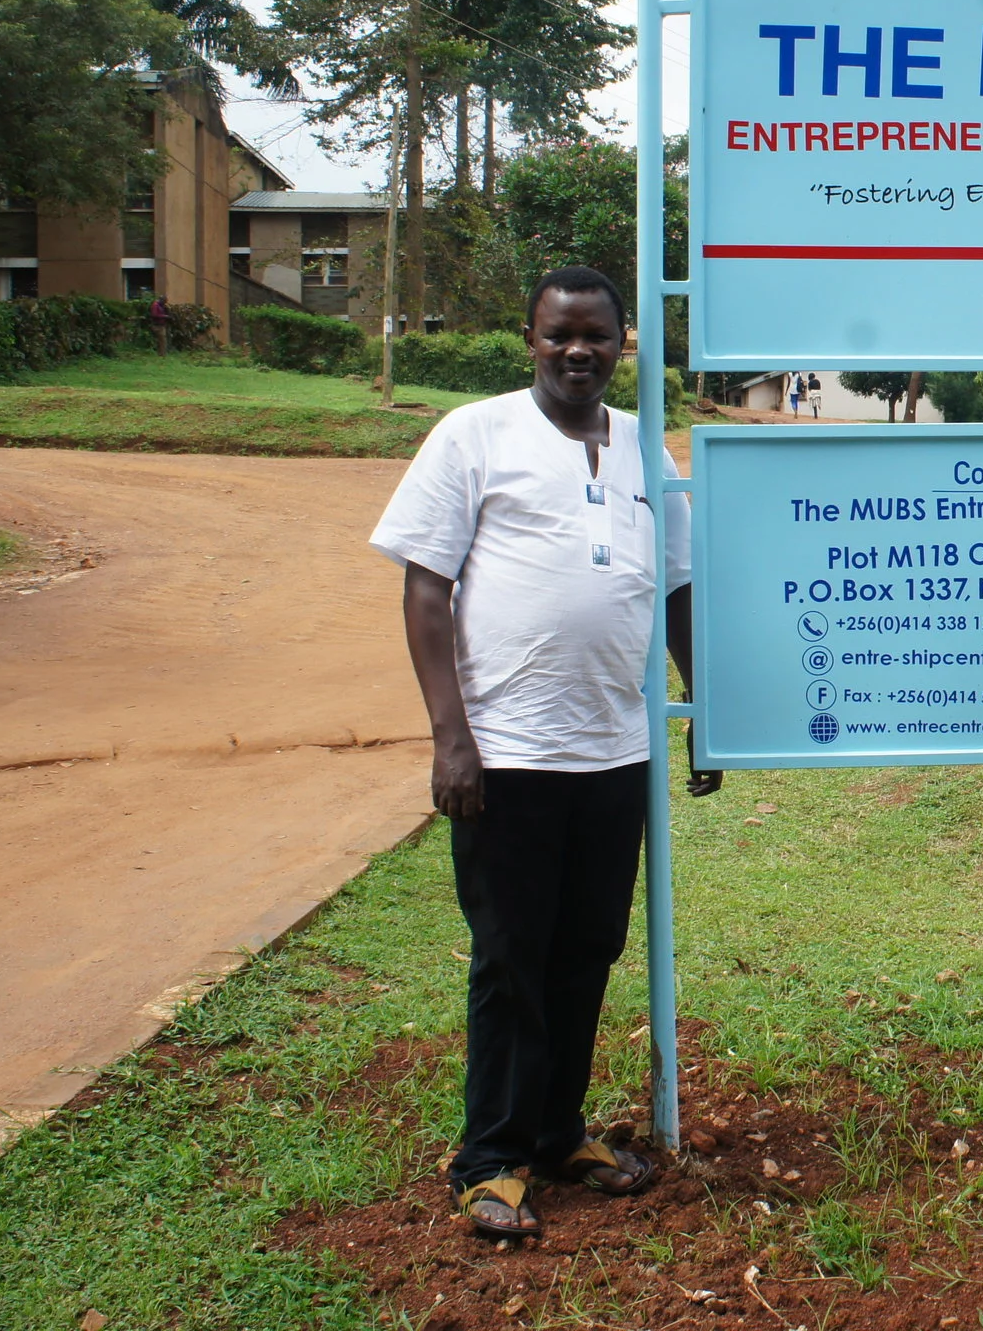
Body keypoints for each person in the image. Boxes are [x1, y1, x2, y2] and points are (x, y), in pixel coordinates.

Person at [370, 264, 697, 1242]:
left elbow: (677, 589)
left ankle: (557, 1133)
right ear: (530, 338)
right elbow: (426, 589)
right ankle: (492, 1156)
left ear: (622, 341)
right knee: (510, 955)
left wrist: (701, 704)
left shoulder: (647, 451)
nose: (577, 351)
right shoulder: (475, 434)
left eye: (595, 334)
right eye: (559, 334)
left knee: (585, 948)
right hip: (507, 755)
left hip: (614, 754)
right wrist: (450, 735)